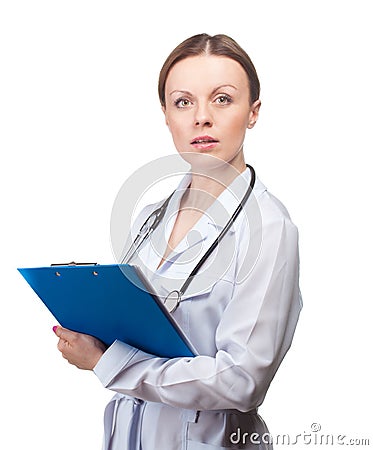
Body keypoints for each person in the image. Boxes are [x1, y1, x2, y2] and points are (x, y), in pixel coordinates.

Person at [54, 33, 302, 449]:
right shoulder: (153, 216)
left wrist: (105, 361)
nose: (201, 118)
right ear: (166, 115)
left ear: (253, 112)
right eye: (183, 102)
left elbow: (242, 381)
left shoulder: (269, 229)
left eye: (222, 99)